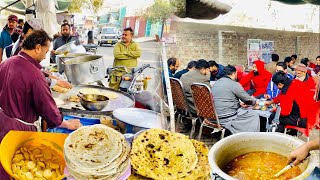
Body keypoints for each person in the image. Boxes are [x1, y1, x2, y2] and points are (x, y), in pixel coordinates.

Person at [0, 30, 82, 179]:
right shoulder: (35, 76)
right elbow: (48, 109)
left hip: (3, 122)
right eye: (45, 51)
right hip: (20, 130)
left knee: (5, 161)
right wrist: (66, 124)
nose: (45, 56)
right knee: (19, 166)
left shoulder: (7, 62)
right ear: (37, 48)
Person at [212, 65, 260, 134]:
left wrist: (239, 104)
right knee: (253, 115)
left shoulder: (217, 83)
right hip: (226, 117)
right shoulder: (234, 84)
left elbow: (224, 98)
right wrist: (255, 103)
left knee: (242, 110)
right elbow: (247, 100)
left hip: (214, 115)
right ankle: (250, 136)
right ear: (234, 73)